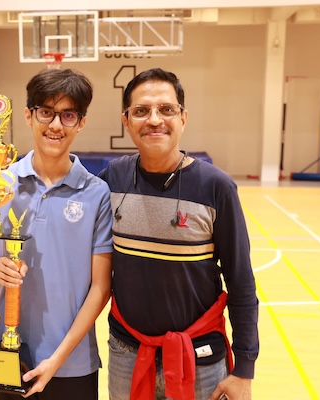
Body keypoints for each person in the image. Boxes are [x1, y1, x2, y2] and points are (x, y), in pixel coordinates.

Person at [98, 68, 259, 400]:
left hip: (198, 359)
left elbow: (240, 281)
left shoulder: (217, 187)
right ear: (126, 120)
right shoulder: (113, 178)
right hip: (126, 354)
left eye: (166, 109)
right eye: (141, 111)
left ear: (183, 118)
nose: (154, 119)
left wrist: (244, 368)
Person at [0, 68, 113, 400]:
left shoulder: (97, 193)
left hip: (72, 362)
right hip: (6, 352)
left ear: (81, 122)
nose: (55, 125)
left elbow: (101, 286)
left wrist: (57, 359)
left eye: (67, 115)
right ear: (28, 115)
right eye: (46, 112)